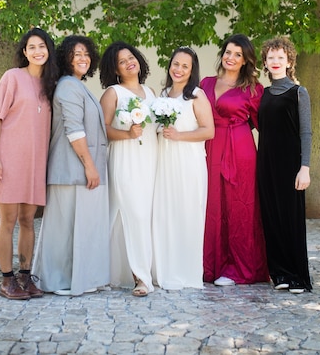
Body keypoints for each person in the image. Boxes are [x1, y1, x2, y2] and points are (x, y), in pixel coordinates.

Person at [31, 35, 110, 296]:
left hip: (78, 169)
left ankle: (79, 278)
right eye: (77, 54)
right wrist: (90, 165)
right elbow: (74, 130)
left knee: (79, 229)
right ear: (66, 57)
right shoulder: (68, 86)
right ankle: (57, 281)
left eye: (86, 54)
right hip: (70, 170)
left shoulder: (77, 85)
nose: (83, 58)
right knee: (63, 232)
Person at [0, 27, 57, 300]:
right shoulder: (12, 77)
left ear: (48, 50)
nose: (37, 51)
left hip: (36, 161)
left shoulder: (51, 84)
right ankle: (7, 281)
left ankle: (25, 277)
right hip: (9, 157)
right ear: (24, 52)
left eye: (42, 46)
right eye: (31, 47)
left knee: (28, 220)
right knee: (9, 220)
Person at [200, 33, 269, 286]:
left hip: (239, 150)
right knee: (210, 206)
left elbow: (266, 126)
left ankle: (238, 269)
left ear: (245, 61)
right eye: (228, 52)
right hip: (207, 147)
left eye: (238, 54)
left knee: (239, 207)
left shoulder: (253, 89)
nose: (231, 58)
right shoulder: (205, 84)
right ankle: (209, 266)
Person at [152, 46, 215, 290]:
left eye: (185, 66)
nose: (178, 69)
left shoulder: (196, 95)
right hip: (164, 161)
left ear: (192, 71)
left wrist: (179, 136)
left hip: (188, 161)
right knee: (165, 213)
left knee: (187, 214)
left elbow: (208, 131)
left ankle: (187, 272)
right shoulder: (163, 93)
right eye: (175, 64)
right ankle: (164, 269)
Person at [99, 41, 158, 297]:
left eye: (131, 57)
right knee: (134, 214)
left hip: (150, 159)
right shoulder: (113, 93)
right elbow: (101, 129)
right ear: (115, 69)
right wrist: (127, 134)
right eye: (122, 62)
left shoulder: (151, 91)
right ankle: (140, 277)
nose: (129, 63)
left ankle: (116, 271)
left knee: (143, 215)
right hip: (124, 159)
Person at [257, 36, 313, 294]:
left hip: (291, 166)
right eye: (271, 58)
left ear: (289, 61)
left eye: (281, 57)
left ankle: (298, 276)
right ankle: (279, 273)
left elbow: (306, 133)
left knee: (290, 219)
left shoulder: (299, 93)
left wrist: (305, 167)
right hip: (266, 164)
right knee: (272, 218)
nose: (276, 62)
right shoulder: (264, 94)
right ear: (265, 63)